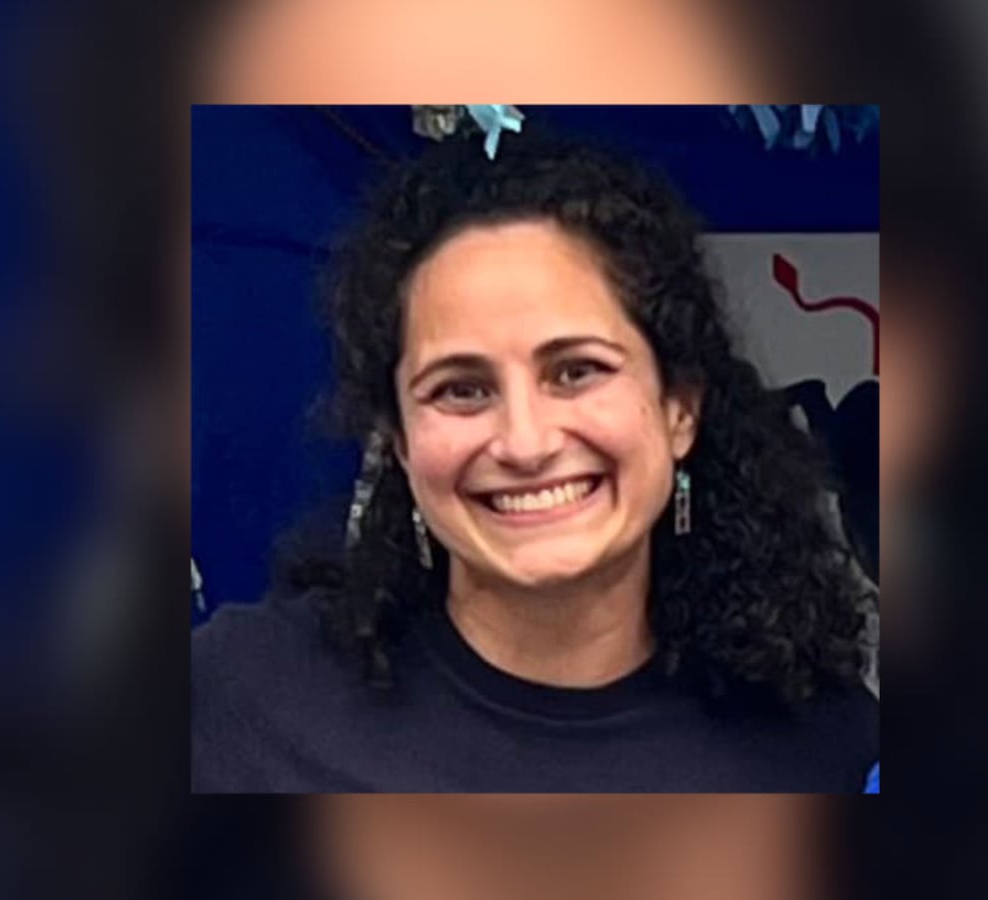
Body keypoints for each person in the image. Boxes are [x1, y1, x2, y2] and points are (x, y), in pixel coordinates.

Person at [190, 128, 878, 792]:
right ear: (399, 438)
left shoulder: (829, 750)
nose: (525, 442)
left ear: (680, 409)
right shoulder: (236, 705)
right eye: (461, 389)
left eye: (577, 371)